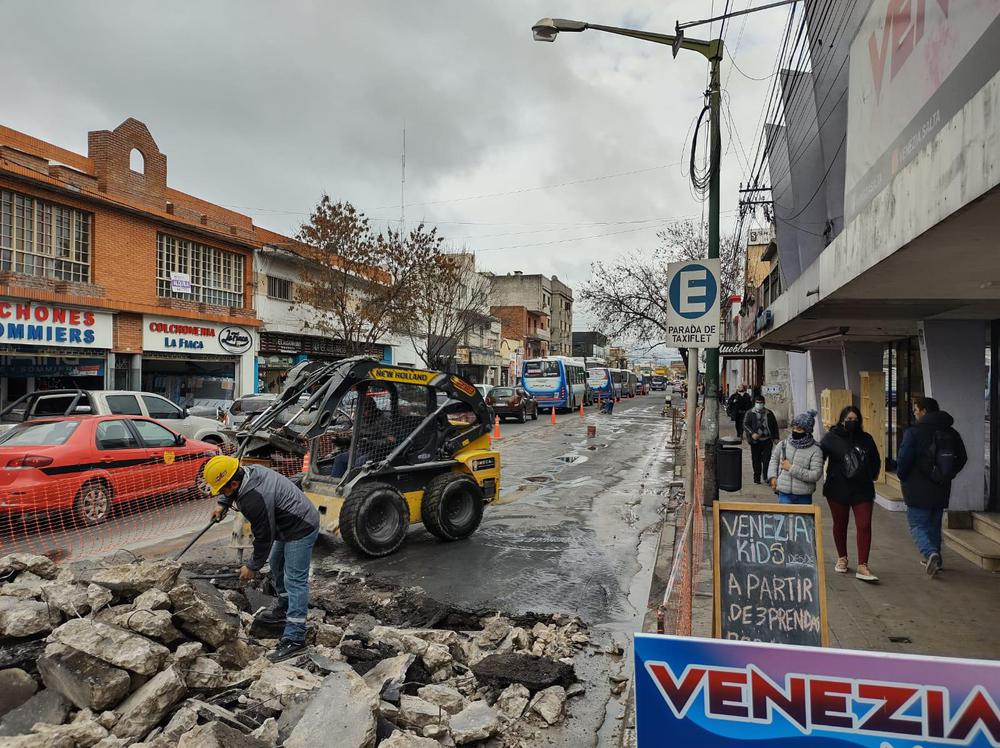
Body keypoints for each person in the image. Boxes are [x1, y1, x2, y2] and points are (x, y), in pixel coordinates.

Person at [204, 455, 321, 662]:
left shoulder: (253, 498)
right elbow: (232, 486)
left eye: (223, 490)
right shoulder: (248, 471)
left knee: (295, 580)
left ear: (234, 483)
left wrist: (252, 566)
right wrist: (223, 502)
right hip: (287, 524)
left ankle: (295, 638)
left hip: (300, 527)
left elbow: (264, 536)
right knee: (276, 565)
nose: (222, 493)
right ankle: (284, 609)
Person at [896, 396, 967, 577]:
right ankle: (937, 561)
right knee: (934, 525)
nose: (914, 413)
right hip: (941, 486)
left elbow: (904, 459)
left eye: (916, 409)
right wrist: (947, 475)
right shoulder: (951, 432)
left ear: (924, 411)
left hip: (917, 487)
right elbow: (962, 457)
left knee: (917, 525)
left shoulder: (913, 433)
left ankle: (930, 553)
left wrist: (902, 476)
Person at [820, 406, 882, 582]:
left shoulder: (866, 439)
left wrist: (872, 474)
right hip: (837, 488)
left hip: (862, 489)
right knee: (840, 524)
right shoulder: (831, 438)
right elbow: (819, 457)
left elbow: (875, 460)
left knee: (864, 525)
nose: (852, 422)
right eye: (849, 419)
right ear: (841, 419)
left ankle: (863, 565)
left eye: (855, 419)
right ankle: (842, 557)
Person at [331, 395, 396, 478]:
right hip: (362, 450)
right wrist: (341, 441)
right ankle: (335, 483)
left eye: (367, 409)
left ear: (373, 408)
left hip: (378, 452)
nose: (364, 413)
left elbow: (392, 441)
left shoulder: (384, 421)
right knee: (340, 459)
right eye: (363, 410)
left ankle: (351, 486)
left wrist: (371, 442)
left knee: (358, 463)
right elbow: (355, 438)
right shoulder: (362, 420)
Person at [768, 409, 824, 504]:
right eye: (793, 428)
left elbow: (815, 475)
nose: (795, 431)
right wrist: (772, 477)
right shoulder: (783, 444)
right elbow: (774, 459)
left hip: (803, 496)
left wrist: (791, 468)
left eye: (799, 429)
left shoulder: (816, 450)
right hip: (784, 493)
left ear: (807, 431)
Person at [742, 394, 779, 484]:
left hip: (767, 440)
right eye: (758, 403)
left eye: (761, 403)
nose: (759, 404)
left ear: (764, 403)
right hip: (755, 441)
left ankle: (766, 476)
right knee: (756, 459)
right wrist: (752, 433)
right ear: (755, 403)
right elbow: (745, 424)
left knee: (767, 459)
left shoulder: (769, 413)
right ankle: (756, 477)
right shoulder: (750, 413)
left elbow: (774, 426)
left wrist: (776, 437)